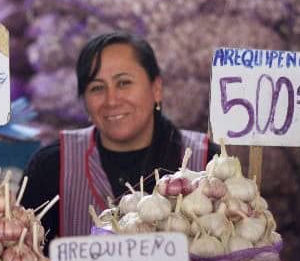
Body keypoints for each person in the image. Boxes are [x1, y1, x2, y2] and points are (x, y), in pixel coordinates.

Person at [21, 32, 219, 248]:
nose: (112, 100)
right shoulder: (51, 167)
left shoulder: (209, 162)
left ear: (156, 89)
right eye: (97, 88)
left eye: (124, 83)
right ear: (84, 102)